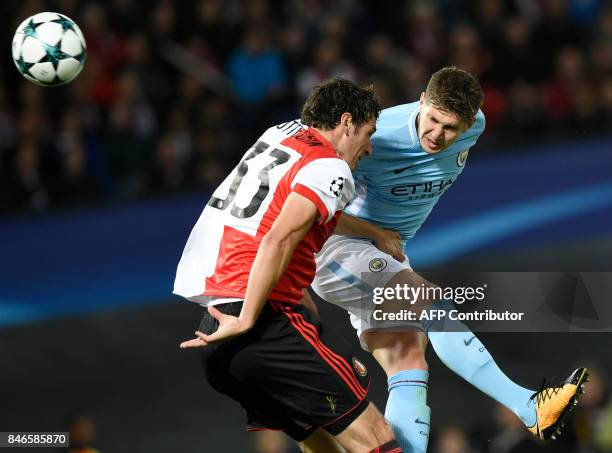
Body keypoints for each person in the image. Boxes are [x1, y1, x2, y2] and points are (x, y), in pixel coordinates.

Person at [309, 67, 589, 453]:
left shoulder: (476, 127)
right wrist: (376, 234)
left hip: (384, 257)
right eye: (434, 120)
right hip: (340, 251)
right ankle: (529, 406)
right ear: (421, 100)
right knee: (434, 306)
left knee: (408, 360)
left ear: (470, 123)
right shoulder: (377, 134)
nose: (437, 135)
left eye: (450, 128)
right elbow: (314, 204)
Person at [174, 77, 402, 453]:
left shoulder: (281, 134)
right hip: (258, 322)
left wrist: (370, 231)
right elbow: (278, 238)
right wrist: (249, 317)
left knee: (322, 441)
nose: (370, 148)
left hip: (215, 329)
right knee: (376, 437)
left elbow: (291, 210)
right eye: (368, 133)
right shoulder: (332, 167)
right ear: (346, 122)